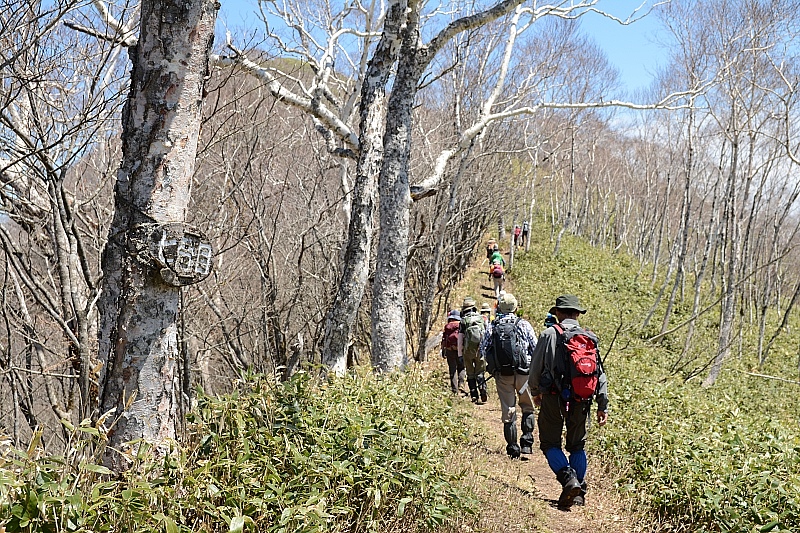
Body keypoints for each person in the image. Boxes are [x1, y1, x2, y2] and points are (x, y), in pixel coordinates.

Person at [528, 295, 609, 510]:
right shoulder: (589, 337)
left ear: (558, 313)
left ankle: (568, 481)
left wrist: (535, 392)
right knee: (577, 445)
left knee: (549, 443)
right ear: (577, 314)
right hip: (582, 399)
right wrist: (603, 404)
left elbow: (535, 368)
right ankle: (579, 491)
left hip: (554, 396)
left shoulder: (549, 334)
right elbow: (599, 374)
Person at [479, 292, 537, 459]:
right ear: (515, 308)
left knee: (508, 410)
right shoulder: (524, 324)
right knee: (527, 406)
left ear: (498, 308)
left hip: (503, 375)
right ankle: (527, 444)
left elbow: (482, 350)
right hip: (523, 373)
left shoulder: (492, 326)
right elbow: (535, 347)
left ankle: (513, 448)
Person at [458, 297, 488, 404]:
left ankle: (474, 395)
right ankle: (483, 389)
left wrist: (460, 355)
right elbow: (487, 334)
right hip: (480, 348)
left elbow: (460, 339)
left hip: (467, 350)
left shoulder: (463, 321)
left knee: (470, 373)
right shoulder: (481, 318)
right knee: (480, 371)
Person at [441, 309, 466, 396]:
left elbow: (444, 339)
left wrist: (443, 350)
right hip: (460, 349)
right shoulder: (462, 325)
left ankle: (454, 390)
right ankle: (461, 386)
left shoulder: (447, 326)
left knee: (453, 369)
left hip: (450, 349)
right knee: (462, 367)